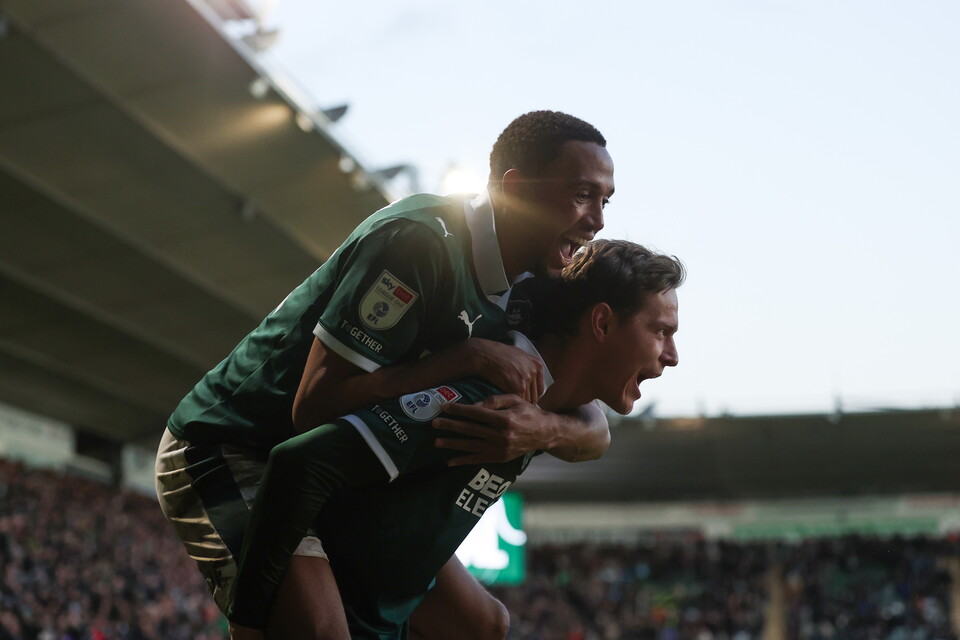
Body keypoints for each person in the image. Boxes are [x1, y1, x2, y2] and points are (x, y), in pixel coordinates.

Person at [156, 111, 616, 637]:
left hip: (341, 475)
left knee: (480, 625)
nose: (597, 219)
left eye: (605, 200)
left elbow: (592, 423)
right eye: (582, 194)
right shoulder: (418, 242)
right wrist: (468, 357)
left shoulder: (539, 281)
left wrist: (546, 428)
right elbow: (313, 406)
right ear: (518, 189)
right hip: (233, 445)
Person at [227, 239, 684, 639]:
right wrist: (247, 622)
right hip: (260, 483)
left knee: (488, 624)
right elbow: (296, 464)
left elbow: (594, 435)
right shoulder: (482, 400)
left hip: (392, 588)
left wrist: (548, 428)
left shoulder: (550, 405)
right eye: (661, 331)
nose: (673, 356)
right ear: (601, 324)